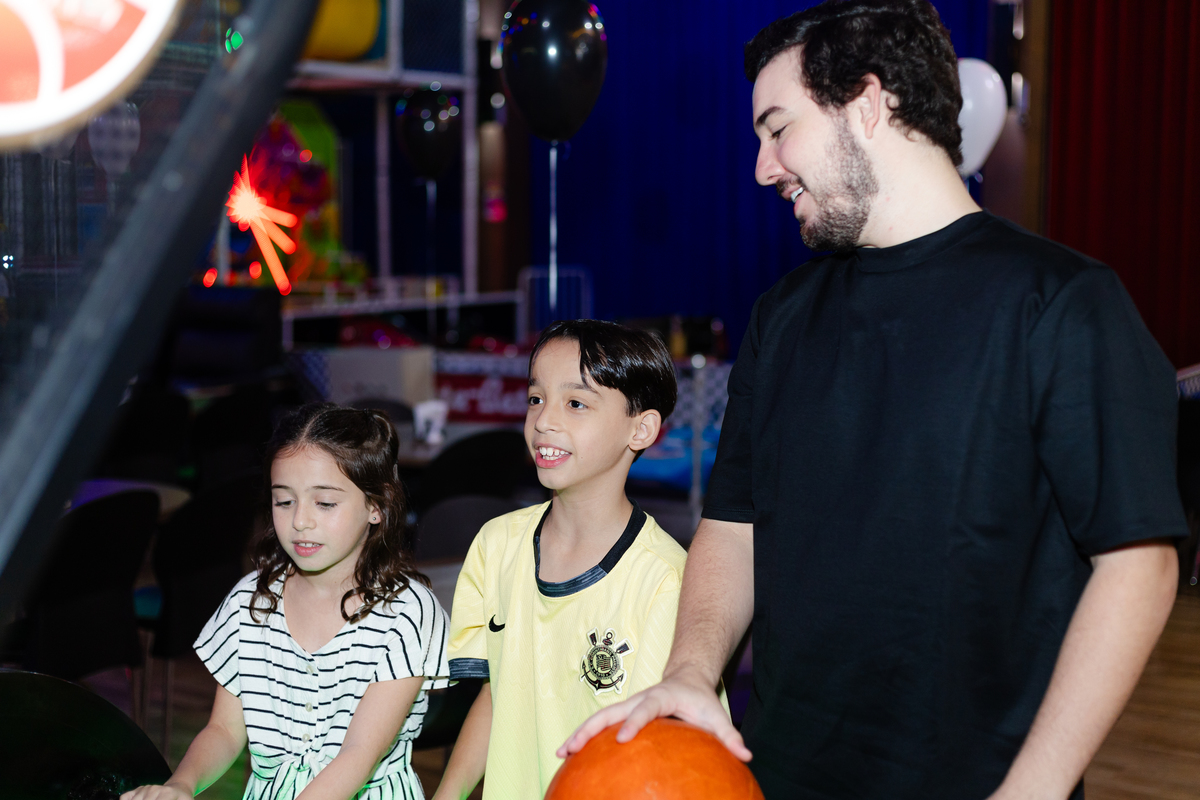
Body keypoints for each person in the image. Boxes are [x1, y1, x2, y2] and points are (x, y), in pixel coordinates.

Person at [559, 2, 1185, 799]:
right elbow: (733, 525)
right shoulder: (782, 317)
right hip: (778, 772)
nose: (762, 169)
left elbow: (1137, 564)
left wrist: (1033, 788)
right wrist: (689, 671)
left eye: (778, 129)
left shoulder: (1061, 304)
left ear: (867, 101)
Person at [432, 320, 710, 800]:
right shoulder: (497, 545)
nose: (544, 420)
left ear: (641, 429)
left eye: (576, 403)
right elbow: (499, 694)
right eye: (536, 398)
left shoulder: (665, 580)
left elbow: (669, 752)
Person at [121, 403, 449, 800]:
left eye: (325, 503)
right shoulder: (250, 601)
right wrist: (181, 785)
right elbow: (224, 730)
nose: (300, 521)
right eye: (284, 501)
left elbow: (359, 755)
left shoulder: (407, 612)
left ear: (377, 506)